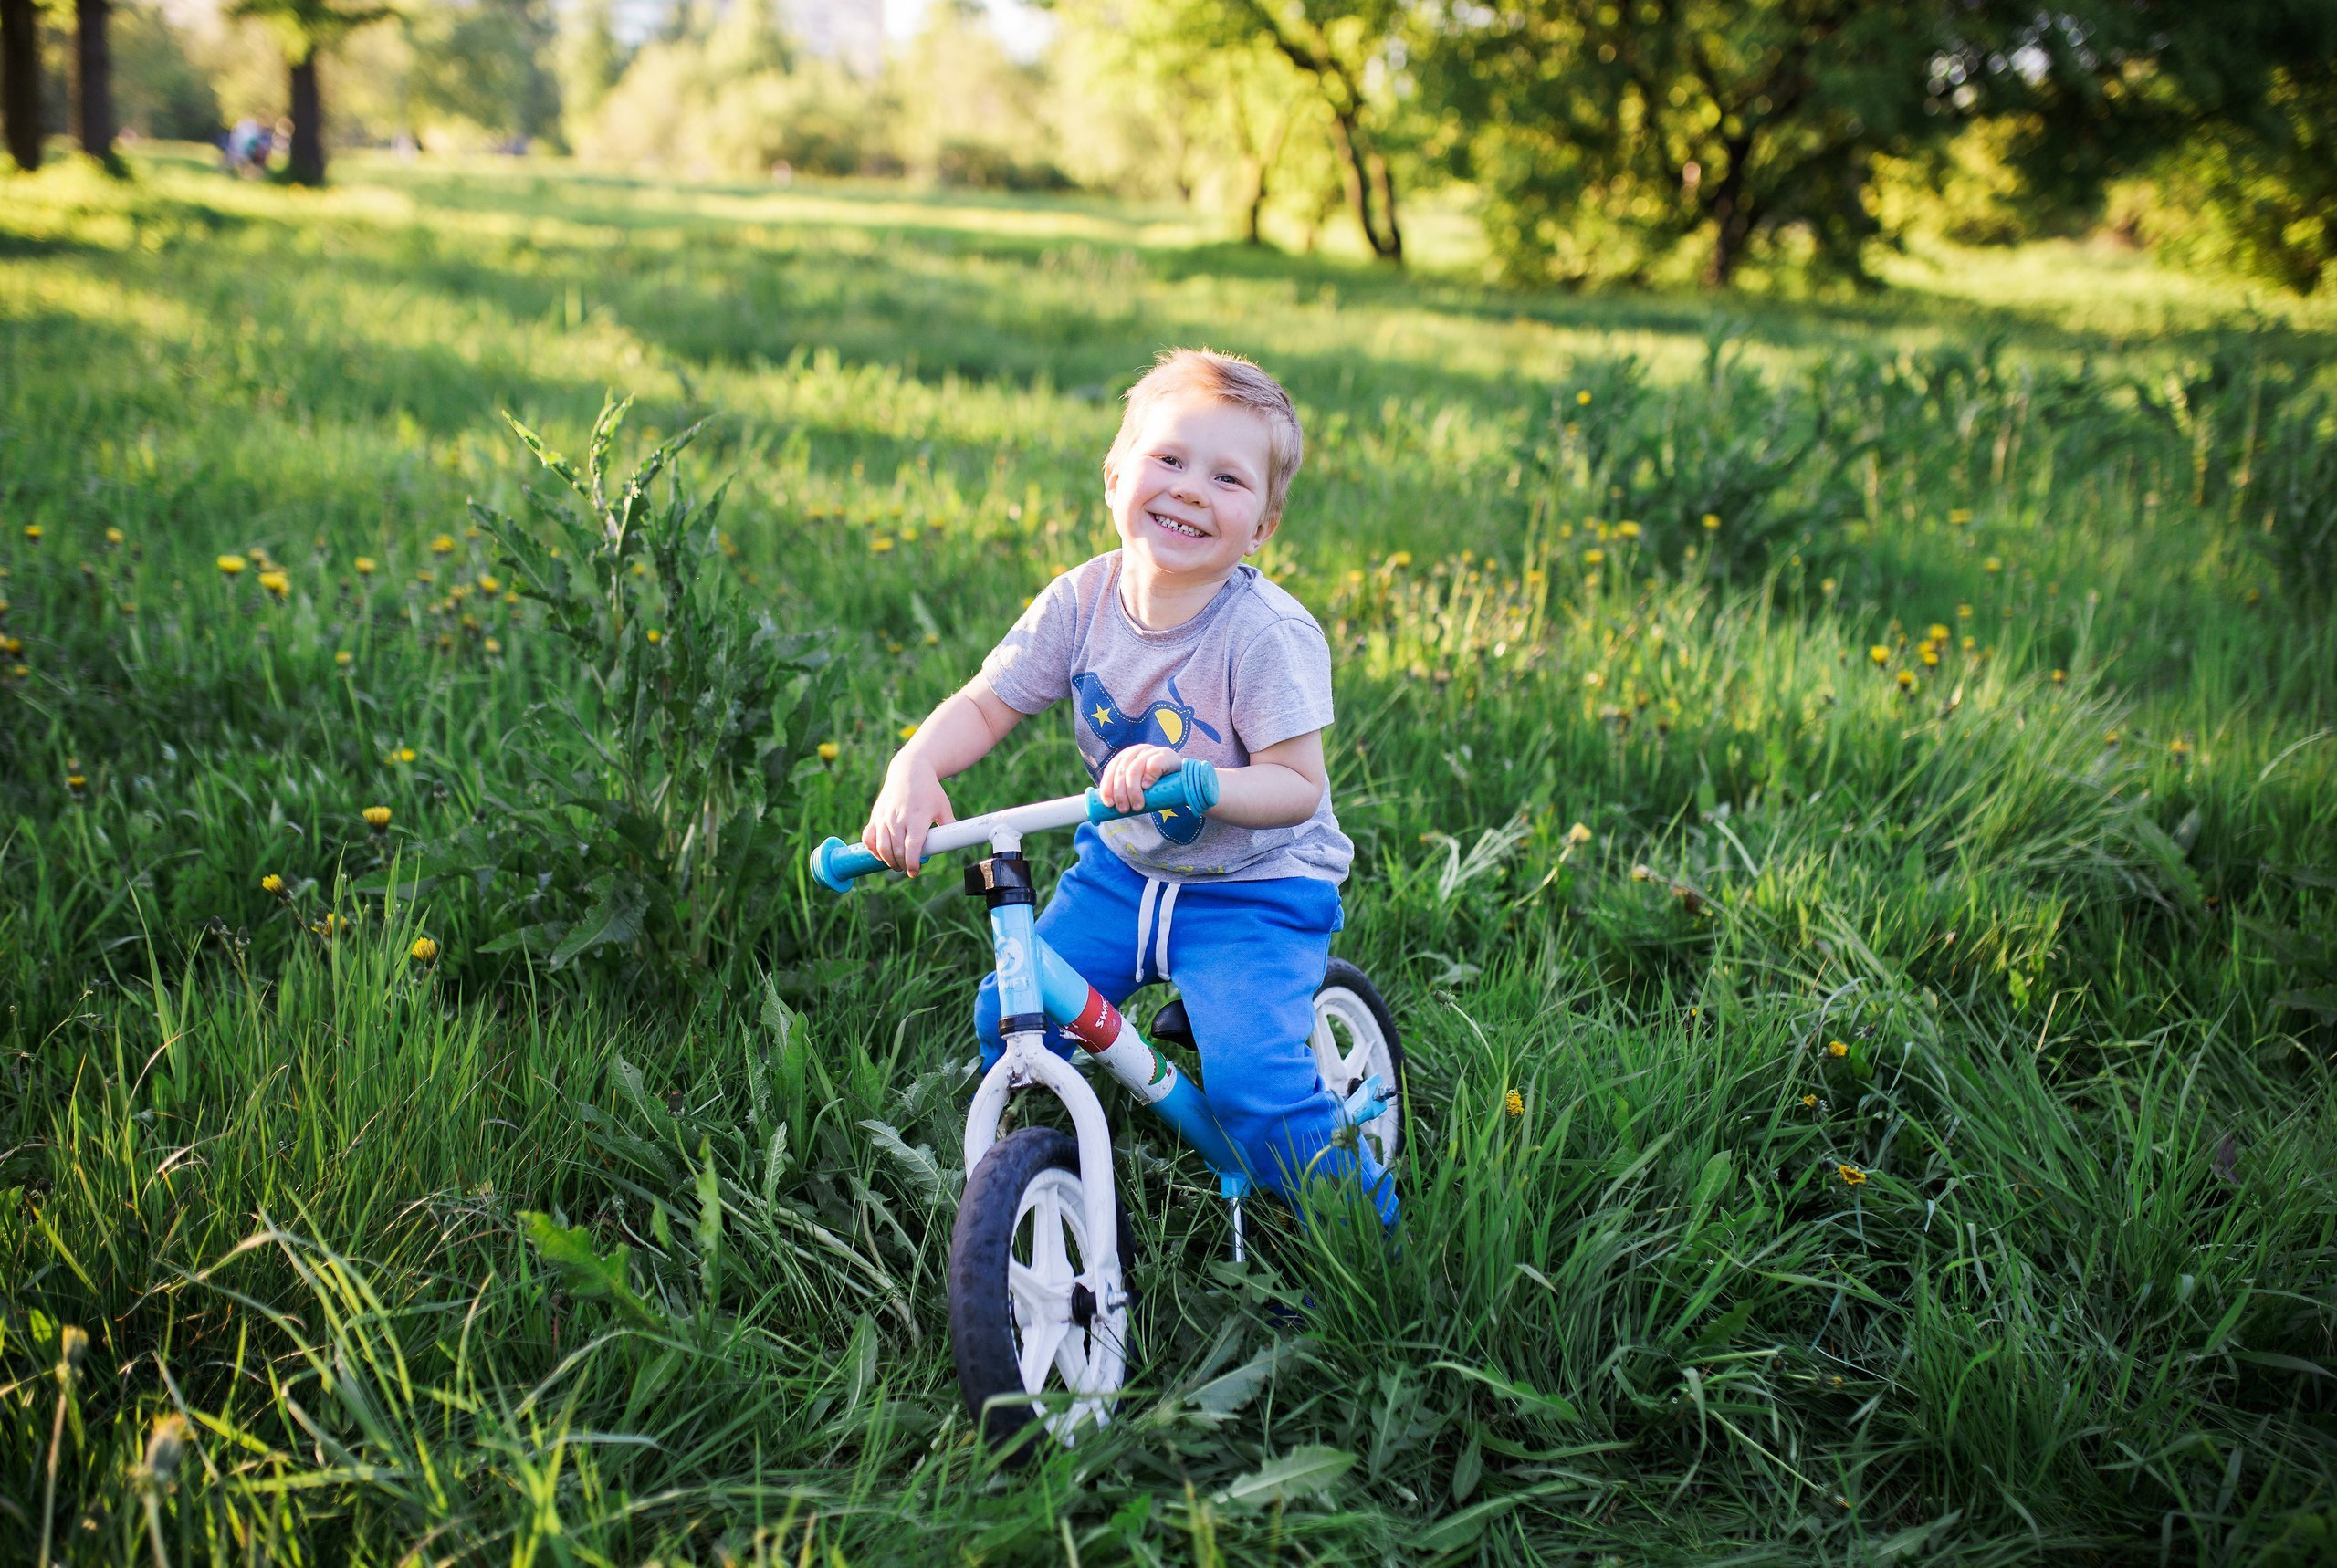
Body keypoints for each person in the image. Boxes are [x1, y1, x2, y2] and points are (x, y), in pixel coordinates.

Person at [858, 348, 1396, 1225]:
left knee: (1255, 1087)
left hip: (1257, 886)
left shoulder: (1264, 637)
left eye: (1228, 477)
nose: (1189, 489)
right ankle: (1054, 1163)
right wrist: (913, 765)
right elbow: (986, 706)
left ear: (1261, 526)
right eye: (1170, 459)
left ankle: (1366, 1232)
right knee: (1013, 1013)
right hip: (1124, 870)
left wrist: (1200, 783)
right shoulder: (1080, 602)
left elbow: (1296, 787)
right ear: (1115, 478)